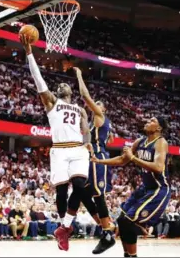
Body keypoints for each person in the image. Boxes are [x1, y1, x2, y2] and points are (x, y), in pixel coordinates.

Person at [20, 34, 96, 251]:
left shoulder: (80, 109)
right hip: (60, 150)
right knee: (62, 192)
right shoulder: (51, 102)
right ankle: (65, 231)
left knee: (80, 187)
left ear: (71, 91)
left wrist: (89, 142)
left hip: (78, 149)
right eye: (59, 84)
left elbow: (86, 130)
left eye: (65, 83)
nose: (62, 84)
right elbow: (38, 80)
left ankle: (64, 227)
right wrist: (29, 53)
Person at [92, 117, 170, 257]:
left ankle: (143, 229)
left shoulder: (160, 142)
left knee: (128, 221)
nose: (147, 121)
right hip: (145, 188)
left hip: (158, 190)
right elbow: (123, 159)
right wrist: (99, 161)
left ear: (159, 128)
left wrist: (133, 158)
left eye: (151, 121)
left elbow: (158, 167)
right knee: (122, 219)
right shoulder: (140, 141)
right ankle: (129, 254)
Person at [74, 67, 115, 254]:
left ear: (103, 109)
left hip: (99, 159)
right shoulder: (94, 123)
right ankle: (107, 227)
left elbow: (84, 95)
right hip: (91, 158)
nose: (95, 105)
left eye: (98, 104)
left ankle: (107, 233)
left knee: (98, 195)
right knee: (83, 193)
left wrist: (79, 76)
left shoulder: (99, 116)